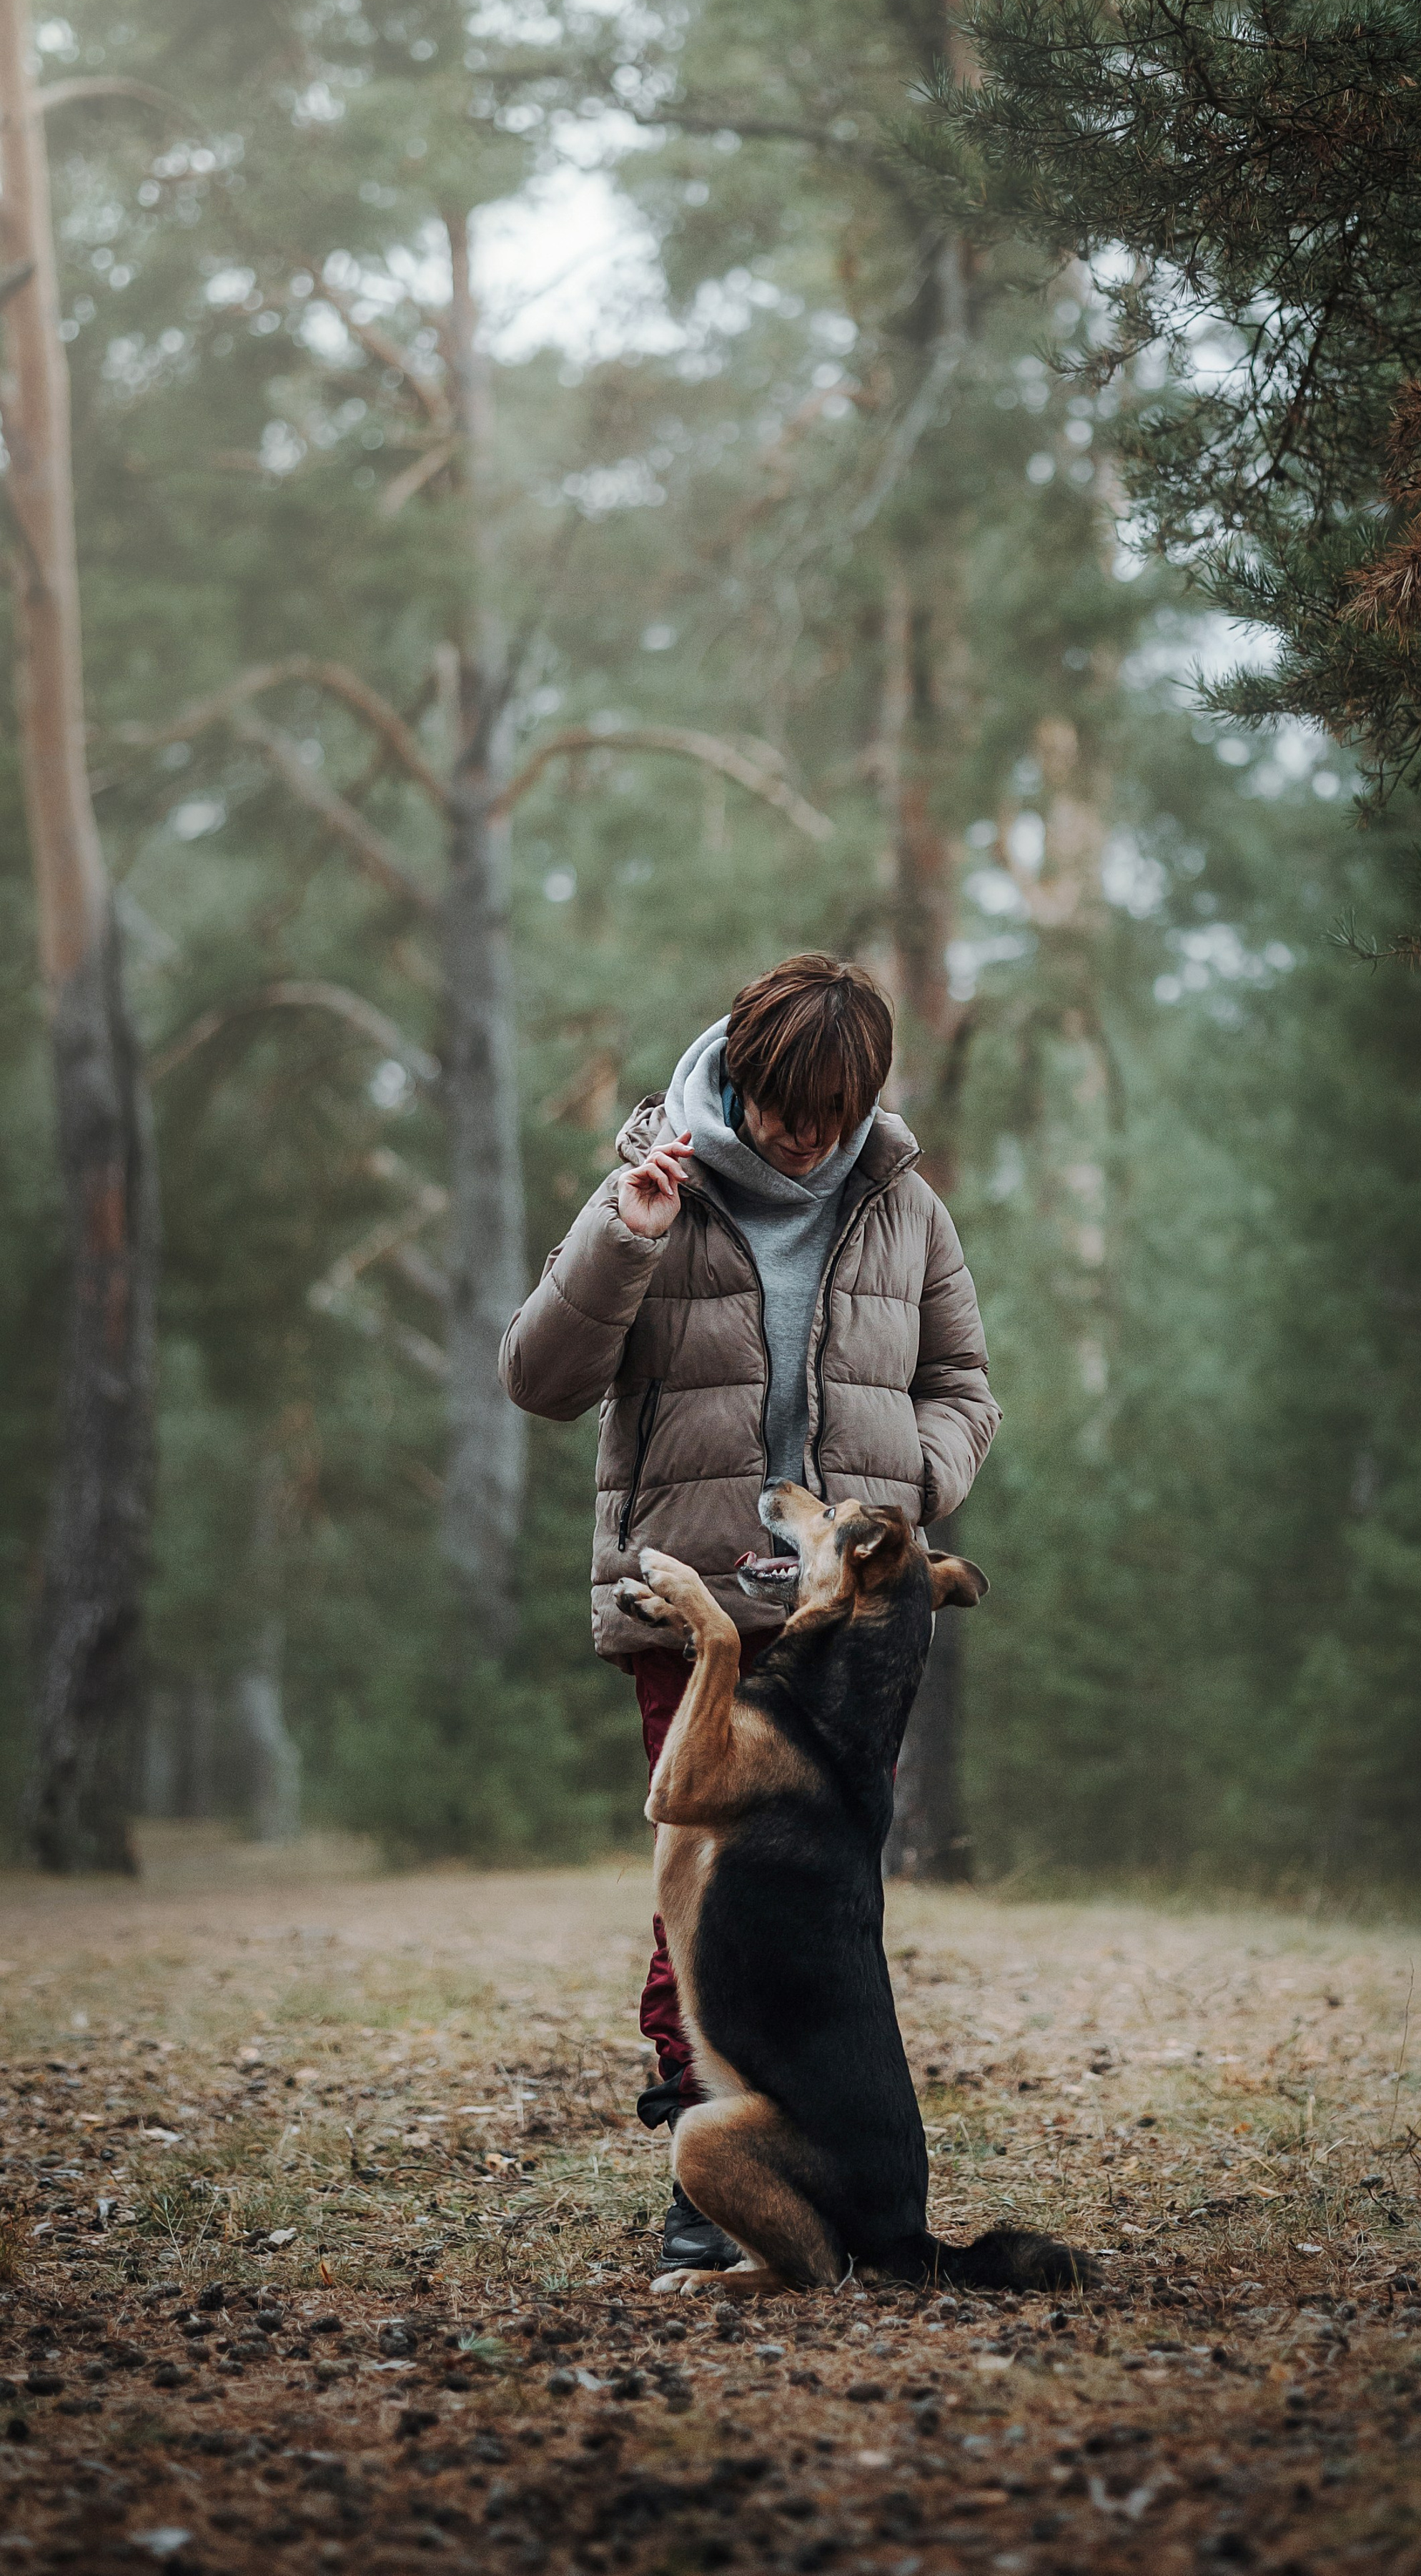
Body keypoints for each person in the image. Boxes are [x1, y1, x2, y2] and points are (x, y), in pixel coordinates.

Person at [500, 954, 1001, 2271]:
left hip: (849, 1619)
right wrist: (627, 1235)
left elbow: (967, 1387)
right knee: (697, 1893)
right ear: (745, 1073)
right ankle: (703, 2160)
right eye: (790, 1107)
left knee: (820, 1907)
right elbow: (539, 1380)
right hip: (692, 1599)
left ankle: (811, 2159)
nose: (810, 1137)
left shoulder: (906, 1208)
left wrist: (908, 1486)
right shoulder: (655, 1185)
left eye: (837, 1113)